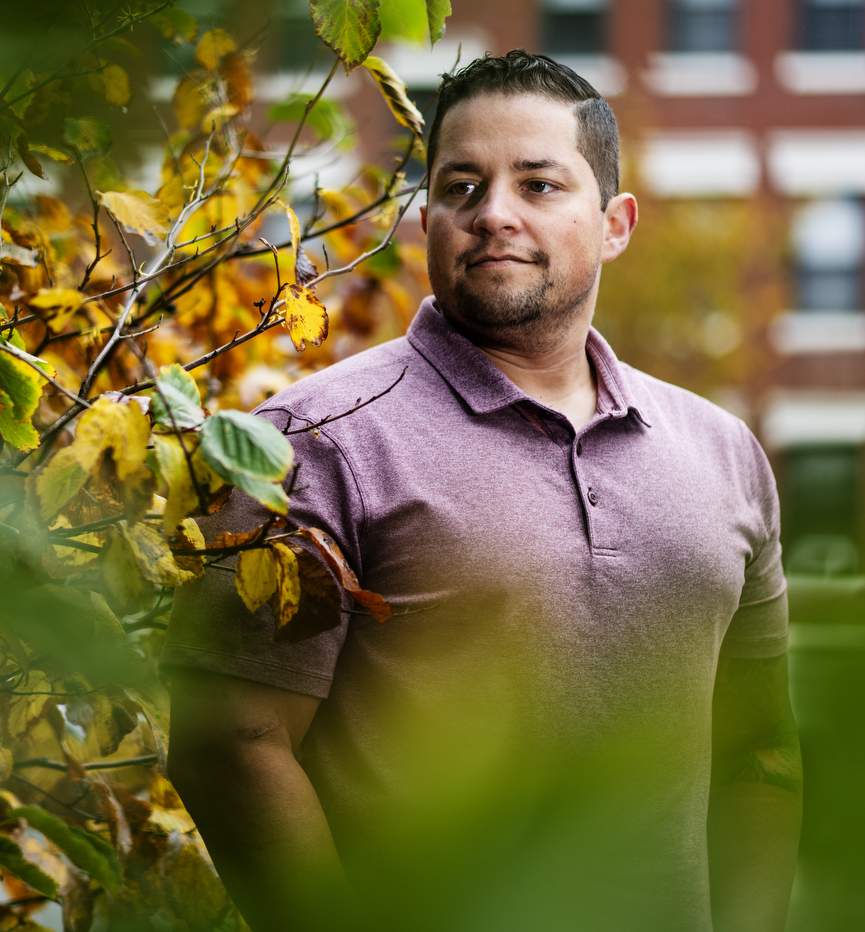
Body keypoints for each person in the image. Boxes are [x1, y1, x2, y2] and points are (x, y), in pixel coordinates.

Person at [163, 50, 801, 932]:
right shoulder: (311, 440)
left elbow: (758, 750)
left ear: (616, 223)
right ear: (428, 219)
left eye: (539, 185)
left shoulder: (723, 452)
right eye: (462, 188)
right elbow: (228, 743)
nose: (493, 214)